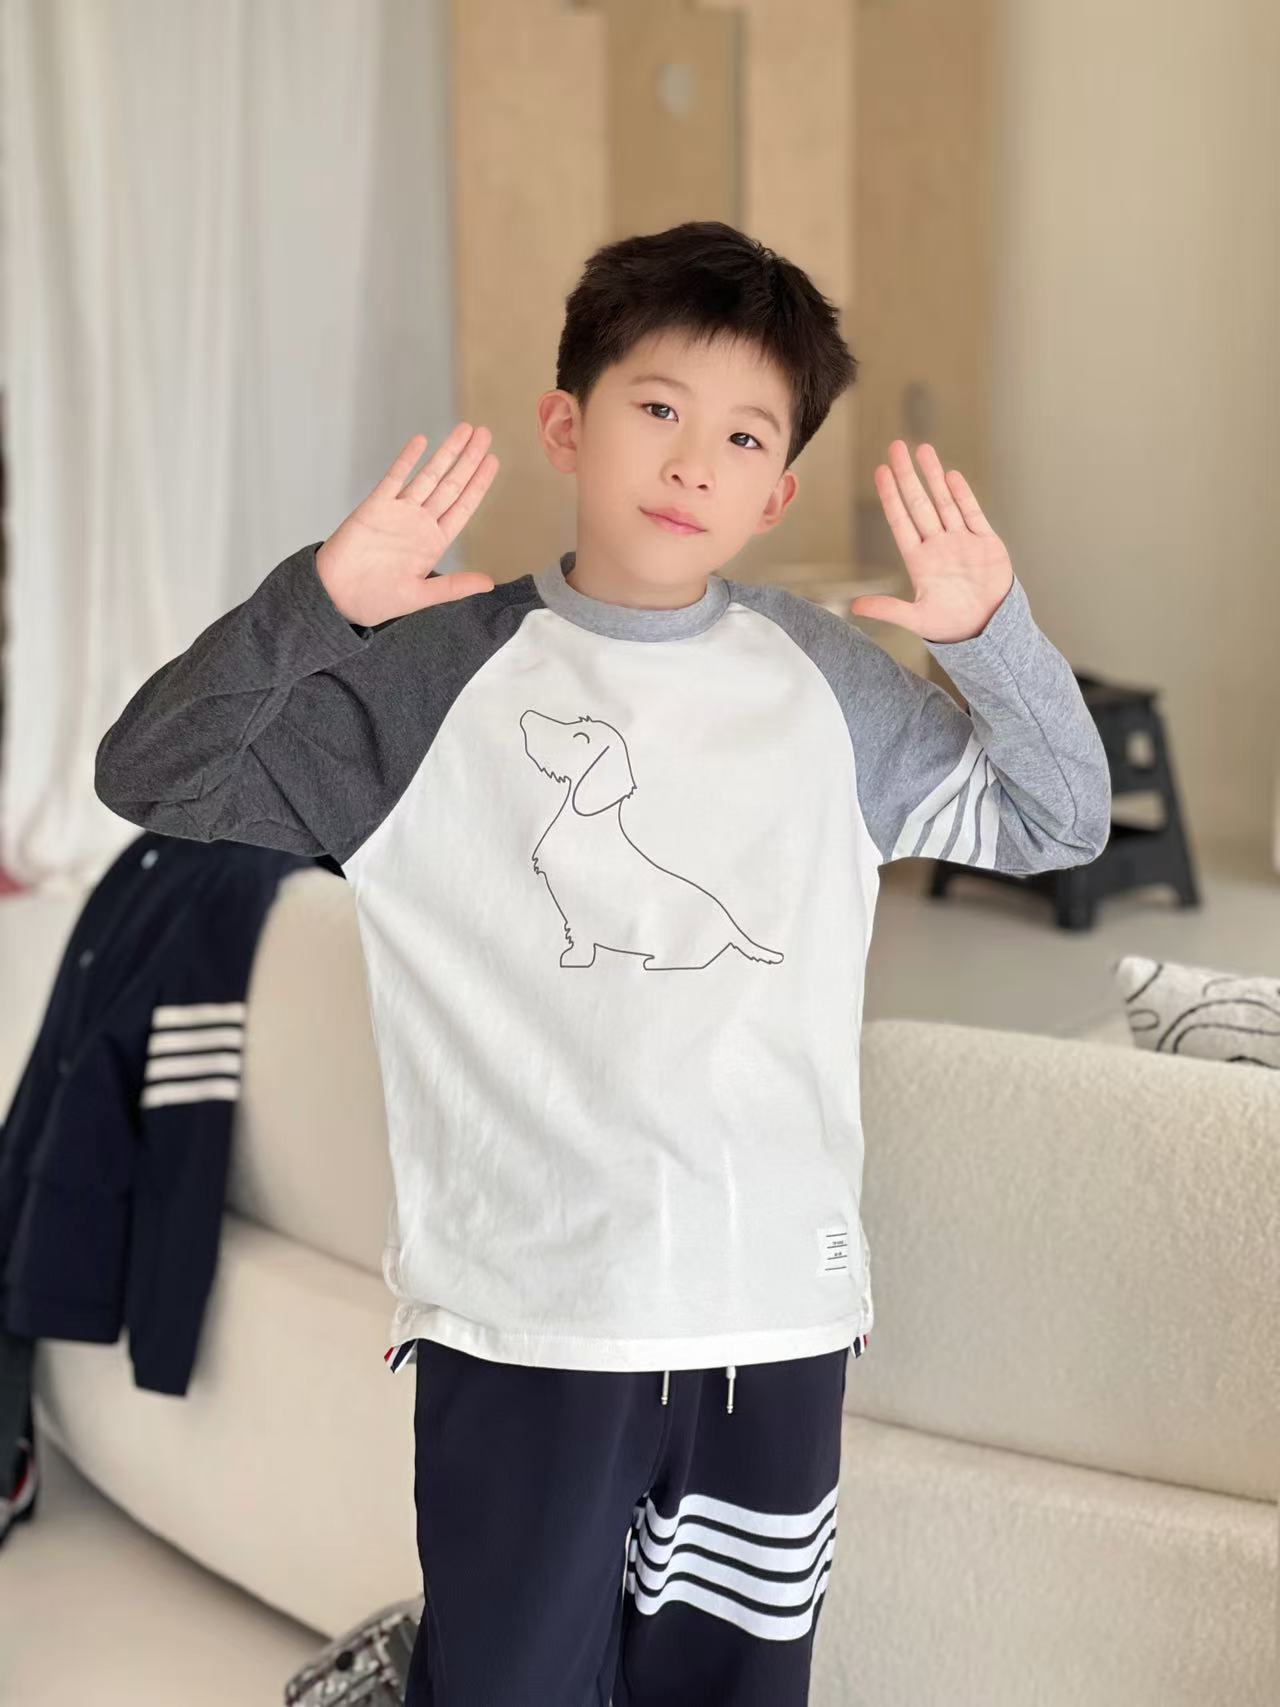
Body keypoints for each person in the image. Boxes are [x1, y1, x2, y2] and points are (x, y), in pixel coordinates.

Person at [94, 220, 1112, 1706]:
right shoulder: (427, 679)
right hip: (526, 1318)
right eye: (658, 408)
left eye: (744, 435)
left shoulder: (827, 683)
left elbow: (1059, 819)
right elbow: (148, 774)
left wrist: (994, 640)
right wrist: (317, 606)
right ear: (566, 425)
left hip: (773, 1318)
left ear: (776, 489)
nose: (694, 462)